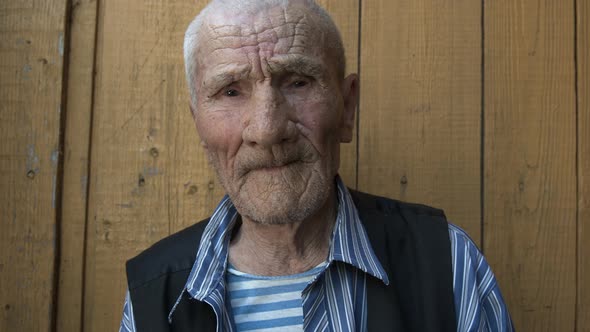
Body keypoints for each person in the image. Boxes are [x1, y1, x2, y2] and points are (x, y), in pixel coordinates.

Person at [120, 0, 514, 331]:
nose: (268, 129)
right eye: (231, 91)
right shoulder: (153, 296)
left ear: (347, 108)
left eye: (298, 82)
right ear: (199, 124)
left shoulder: (447, 263)